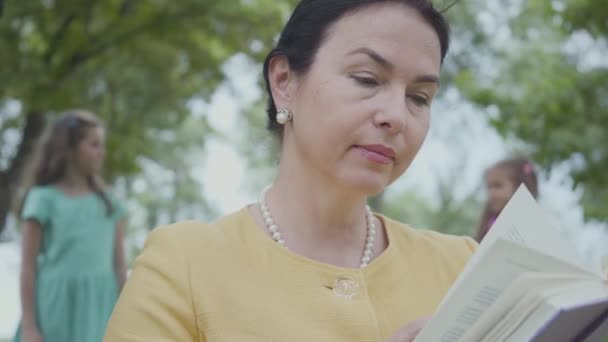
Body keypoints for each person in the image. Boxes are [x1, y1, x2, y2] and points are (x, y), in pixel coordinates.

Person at [104, 1, 477, 341]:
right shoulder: (183, 267)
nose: (396, 116)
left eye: (419, 98)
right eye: (367, 78)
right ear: (284, 81)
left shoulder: (465, 267)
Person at [14, 110, 127, 342]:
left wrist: (129, 315)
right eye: (94, 145)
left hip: (100, 308)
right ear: (69, 148)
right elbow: (28, 267)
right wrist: (29, 327)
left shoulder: (108, 203)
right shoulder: (42, 200)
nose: (101, 153)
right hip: (54, 306)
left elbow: (119, 266)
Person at [475, 157, 539, 242]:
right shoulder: (488, 224)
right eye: (488, 187)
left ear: (519, 187)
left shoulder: (531, 228)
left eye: (497, 185)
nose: (491, 193)